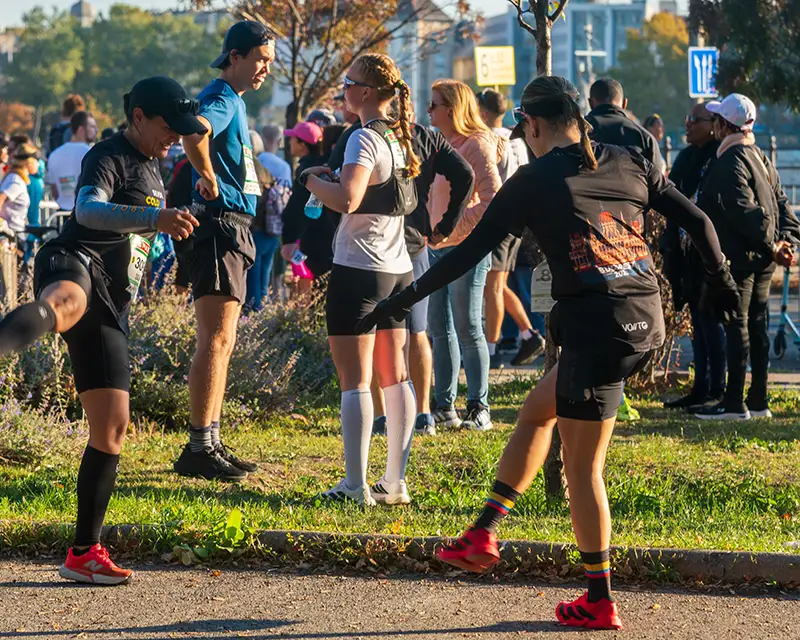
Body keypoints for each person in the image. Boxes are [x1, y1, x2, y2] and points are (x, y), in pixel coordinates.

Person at [357, 75, 739, 630]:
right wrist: (721, 281)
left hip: (597, 328)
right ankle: (483, 532)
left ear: (532, 126)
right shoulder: (629, 157)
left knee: (584, 466)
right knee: (538, 411)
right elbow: (699, 222)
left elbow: (467, 255)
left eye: (525, 131)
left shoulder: (534, 179)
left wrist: (402, 299)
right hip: (644, 323)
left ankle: (599, 598)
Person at [0, 76, 205, 585]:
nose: (172, 137)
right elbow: (89, 209)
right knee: (64, 302)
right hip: (74, 261)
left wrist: (196, 193)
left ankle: (83, 552)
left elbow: (197, 136)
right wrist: (156, 218)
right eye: (166, 127)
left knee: (112, 428)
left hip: (111, 303)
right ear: (138, 118)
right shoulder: (106, 155)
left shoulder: (155, 163)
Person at [300, 52, 421, 506]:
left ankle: (355, 486)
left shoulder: (362, 138)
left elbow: (348, 200)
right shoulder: (399, 135)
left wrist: (312, 181)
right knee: (395, 377)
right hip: (398, 267)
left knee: (354, 381)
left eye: (348, 83)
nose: (343, 90)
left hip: (359, 267)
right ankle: (395, 481)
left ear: (367, 92)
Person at [172, 20, 276, 481]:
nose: (264, 71)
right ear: (234, 56)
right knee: (214, 340)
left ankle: (210, 439)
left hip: (236, 228)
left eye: (270, 63)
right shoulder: (222, 96)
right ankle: (198, 447)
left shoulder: (235, 100)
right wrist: (209, 177)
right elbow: (193, 132)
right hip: (219, 228)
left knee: (225, 341)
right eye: (260, 60)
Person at [695, 94, 800, 421]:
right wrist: (785, 241)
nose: (713, 127)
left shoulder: (730, 160)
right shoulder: (760, 156)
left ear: (725, 124)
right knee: (756, 326)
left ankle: (734, 404)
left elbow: (744, 210)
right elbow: (783, 205)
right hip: (763, 260)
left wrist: (774, 244)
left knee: (738, 327)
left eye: (716, 121)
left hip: (741, 259)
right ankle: (758, 401)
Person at [373, 109, 476, 437]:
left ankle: (381, 416)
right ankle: (422, 415)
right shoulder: (425, 136)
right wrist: (445, 225)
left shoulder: (364, 135)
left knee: (377, 333)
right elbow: (465, 175)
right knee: (417, 331)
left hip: (375, 246)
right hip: (415, 244)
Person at [426, 79, 504, 432]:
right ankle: (444, 406)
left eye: (434, 105)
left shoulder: (476, 146)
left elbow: (492, 202)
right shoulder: (437, 144)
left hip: (465, 248)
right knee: (439, 329)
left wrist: (453, 227)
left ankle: (479, 407)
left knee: (468, 326)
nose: (429, 111)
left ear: (453, 109)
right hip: (435, 247)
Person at [476, 88, 545, 368]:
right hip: (516, 221)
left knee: (492, 287)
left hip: (500, 219)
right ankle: (529, 334)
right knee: (499, 285)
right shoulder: (515, 138)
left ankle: (492, 353)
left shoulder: (492, 140)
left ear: (482, 112)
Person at [662, 103, 725, 410]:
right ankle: (700, 388)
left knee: (712, 322)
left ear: (715, 124)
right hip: (687, 253)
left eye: (694, 120)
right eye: (686, 118)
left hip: (711, 254)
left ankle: (717, 388)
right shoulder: (687, 157)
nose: (687, 124)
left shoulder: (719, 156)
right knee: (698, 325)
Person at [279, 121, 328, 287]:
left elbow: (296, 207)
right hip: (326, 238)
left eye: (293, 139)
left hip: (310, 239)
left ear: (302, 144)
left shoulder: (307, 171)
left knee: (310, 287)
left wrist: (289, 238)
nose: (289, 142)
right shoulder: (324, 165)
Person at [586, 78, 664, 173]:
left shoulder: (576, 131)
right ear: (624, 103)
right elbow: (658, 182)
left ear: (590, 103)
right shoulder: (644, 137)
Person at [246, 159, 284, 311]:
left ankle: (253, 312)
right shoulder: (266, 172)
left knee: (253, 278)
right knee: (264, 277)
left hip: (257, 232)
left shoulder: (249, 171)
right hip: (272, 232)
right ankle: (263, 311)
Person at [47, 111, 98, 212]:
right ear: (81, 129)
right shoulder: (91, 153)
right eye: (92, 127)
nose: (96, 130)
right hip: (85, 214)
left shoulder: (54, 155)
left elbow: (54, 191)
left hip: (62, 213)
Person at [0, 143, 40, 249]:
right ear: (28, 162)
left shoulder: (16, 178)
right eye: (36, 161)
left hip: (15, 235)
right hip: (11, 238)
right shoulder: (15, 180)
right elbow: (1, 199)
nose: (38, 164)